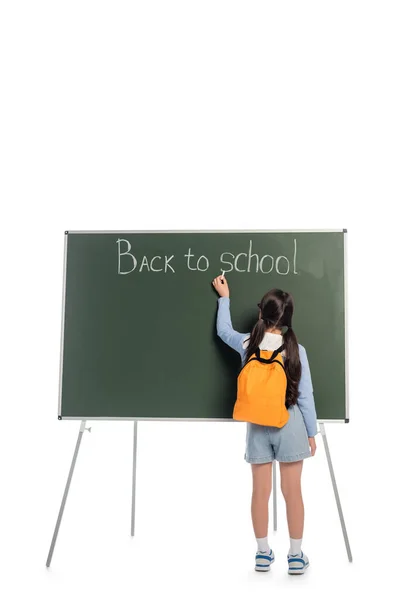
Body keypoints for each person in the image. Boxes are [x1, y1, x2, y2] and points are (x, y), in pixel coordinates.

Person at [212, 274, 318, 575]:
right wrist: (312, 433)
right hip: (290, 423)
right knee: (292, 491)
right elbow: (306, 396)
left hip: (257, 424)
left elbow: (222, 331)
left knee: (260, 492)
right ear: (286, 319)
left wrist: (224, 296)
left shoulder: (248, 343)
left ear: (261, 313)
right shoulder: (296, 350)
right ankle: (296, 557)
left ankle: (262, 554)